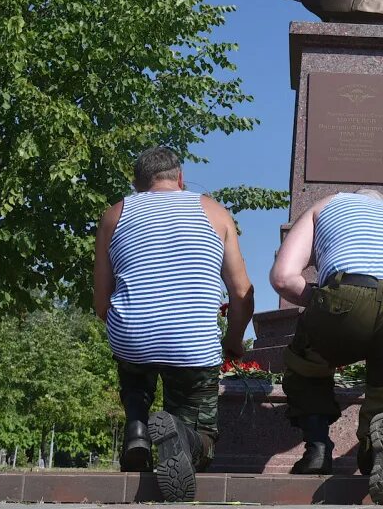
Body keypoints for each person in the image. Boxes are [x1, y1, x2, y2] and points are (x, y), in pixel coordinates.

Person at [94, 147, 255, 501]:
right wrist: (234, 340)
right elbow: (242, 291)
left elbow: (101, 302)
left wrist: (129, 327)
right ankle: (185, 438)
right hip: (192, 342)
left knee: (134, 370)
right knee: (203, 432)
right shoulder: (214, 212)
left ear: (137, 185)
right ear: (180, 179)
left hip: (132, 335)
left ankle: (137, 428)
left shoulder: (114, 214)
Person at [270, 189, 383, 505]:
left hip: (347, 294)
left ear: (351, 196)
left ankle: (317, 447)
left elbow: (283, 278)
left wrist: (320, 301)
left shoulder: (325, 206)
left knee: (307, 361)